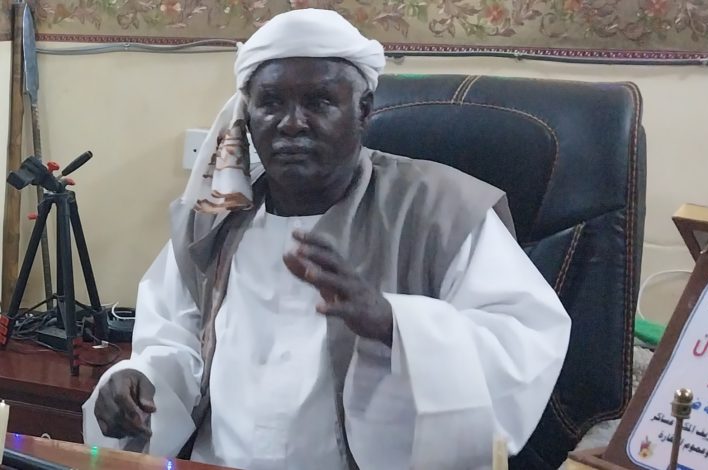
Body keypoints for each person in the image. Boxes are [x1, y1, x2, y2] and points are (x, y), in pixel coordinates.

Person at [82, 8, 571, 470]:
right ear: (248, 115)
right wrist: (137, 380)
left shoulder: (439, 209)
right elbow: (174, 339)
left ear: (363, 110)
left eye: (318, 101)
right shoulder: (214, 222)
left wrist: (395, 324)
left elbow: (524, 342)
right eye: (271, 103)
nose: (291, 122)